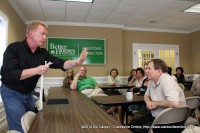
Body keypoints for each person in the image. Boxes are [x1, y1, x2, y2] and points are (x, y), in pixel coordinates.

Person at [0, 20, 88, 133]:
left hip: (28, 93)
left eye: (46, 34)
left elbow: (60, 63)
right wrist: (36, 70)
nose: (45, 37)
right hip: (12, 93)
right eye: (42, 33)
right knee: (20, 128)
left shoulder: (42, 53)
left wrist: (77, 62)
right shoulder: (13, 48)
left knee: (33, 124)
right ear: (31, 33)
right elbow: (11, 74)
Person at [128, 59, 186, 133]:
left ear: (159, 71)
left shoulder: (167, 80)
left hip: (171, 121)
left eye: (149, 69)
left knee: (138, 130)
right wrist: (148, 101)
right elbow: (146, 95)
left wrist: (155, 104)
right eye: (146, 69)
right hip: (158, 116)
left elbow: (174, 103)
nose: (146, 71)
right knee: (131, 125)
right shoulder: (152, 81)